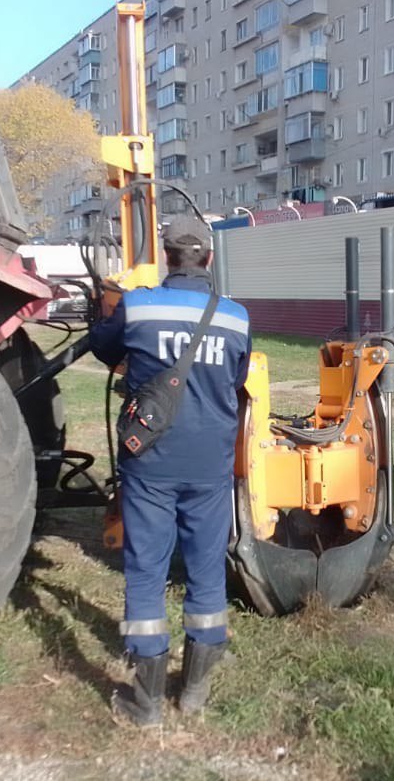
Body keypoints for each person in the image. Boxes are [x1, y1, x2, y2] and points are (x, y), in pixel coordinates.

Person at [90, 214, 251, 727]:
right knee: (206, 568)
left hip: (150, 462)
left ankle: (146, 700)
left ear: (166, 257)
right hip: (210, 465)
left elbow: (103, 349)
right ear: (207, 258)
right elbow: (239, 375)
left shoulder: (137, 306)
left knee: (146, 570)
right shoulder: (236, 318)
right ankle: (196, 689)